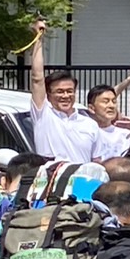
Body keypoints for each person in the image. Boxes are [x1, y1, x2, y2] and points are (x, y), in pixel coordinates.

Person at [28, 19, 99, 163]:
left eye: (70, 91)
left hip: (81, 182)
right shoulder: (43, 115)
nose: (66, 96)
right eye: (59, 92)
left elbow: (96, 161)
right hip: (52, 181)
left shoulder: (90, 124)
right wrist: (38, 39)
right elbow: (37, 78)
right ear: (48, 94)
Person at [85, 85, 130, 161]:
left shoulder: (126, 134)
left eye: (114, 101)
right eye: (105, 102)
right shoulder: (84, 133)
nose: (111, 106)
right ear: (91, 108)